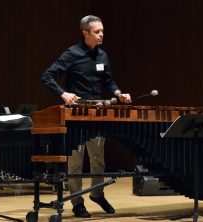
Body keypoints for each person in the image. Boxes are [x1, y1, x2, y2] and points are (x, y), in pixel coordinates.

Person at [41, 15, 132, 217]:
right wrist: (63, 94)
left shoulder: (103, 56)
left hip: (97, 112)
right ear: (85, 33)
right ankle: (77, 202)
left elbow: (109, 82)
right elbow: (47, 76)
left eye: (102, 31)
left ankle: (97, 194)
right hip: (76, 114)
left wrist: (119, 93)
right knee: (75, 162)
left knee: (98, 160)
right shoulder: (72, 54)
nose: (101, 35)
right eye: (97, 32)